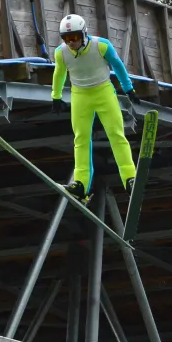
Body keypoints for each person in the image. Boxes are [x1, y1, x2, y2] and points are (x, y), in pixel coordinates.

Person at [51, 13, 139, 202]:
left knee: (116, 135)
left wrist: (128, 88)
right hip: (80, 96)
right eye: (66, 38)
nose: (71, 42)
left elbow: (118, 65)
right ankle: (81, 185)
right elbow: (59, 74)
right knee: (81, 139)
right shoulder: (61, 53)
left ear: (84, 33)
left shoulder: (101, 45)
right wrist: (56, 97)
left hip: (103, 92)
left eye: (74, 37)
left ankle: (130, 178)